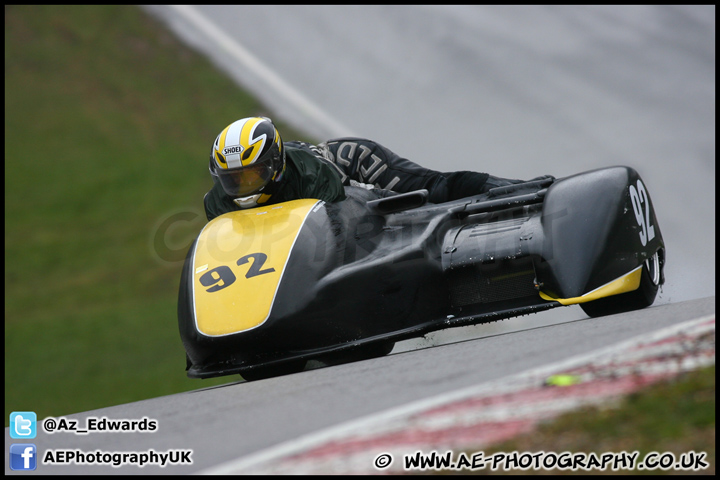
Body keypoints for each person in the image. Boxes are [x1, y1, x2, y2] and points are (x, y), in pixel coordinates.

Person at [204, 116, 550, 221]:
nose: (245, 185)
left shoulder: (312, 176)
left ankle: (529, 191)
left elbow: (342, 226)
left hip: (350, 169)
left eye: (253, 173)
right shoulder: (216, 204)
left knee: (430, 195)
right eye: (234, 179)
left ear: (276, 165)